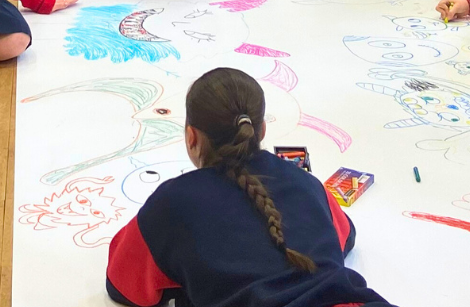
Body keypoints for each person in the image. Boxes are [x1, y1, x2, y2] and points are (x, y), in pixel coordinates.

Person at [104, 68, 391, 307]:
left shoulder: (172, 203)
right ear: (262, 130)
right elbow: (346, 237)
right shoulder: (303, 181)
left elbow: (122, 284)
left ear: (191, 137)